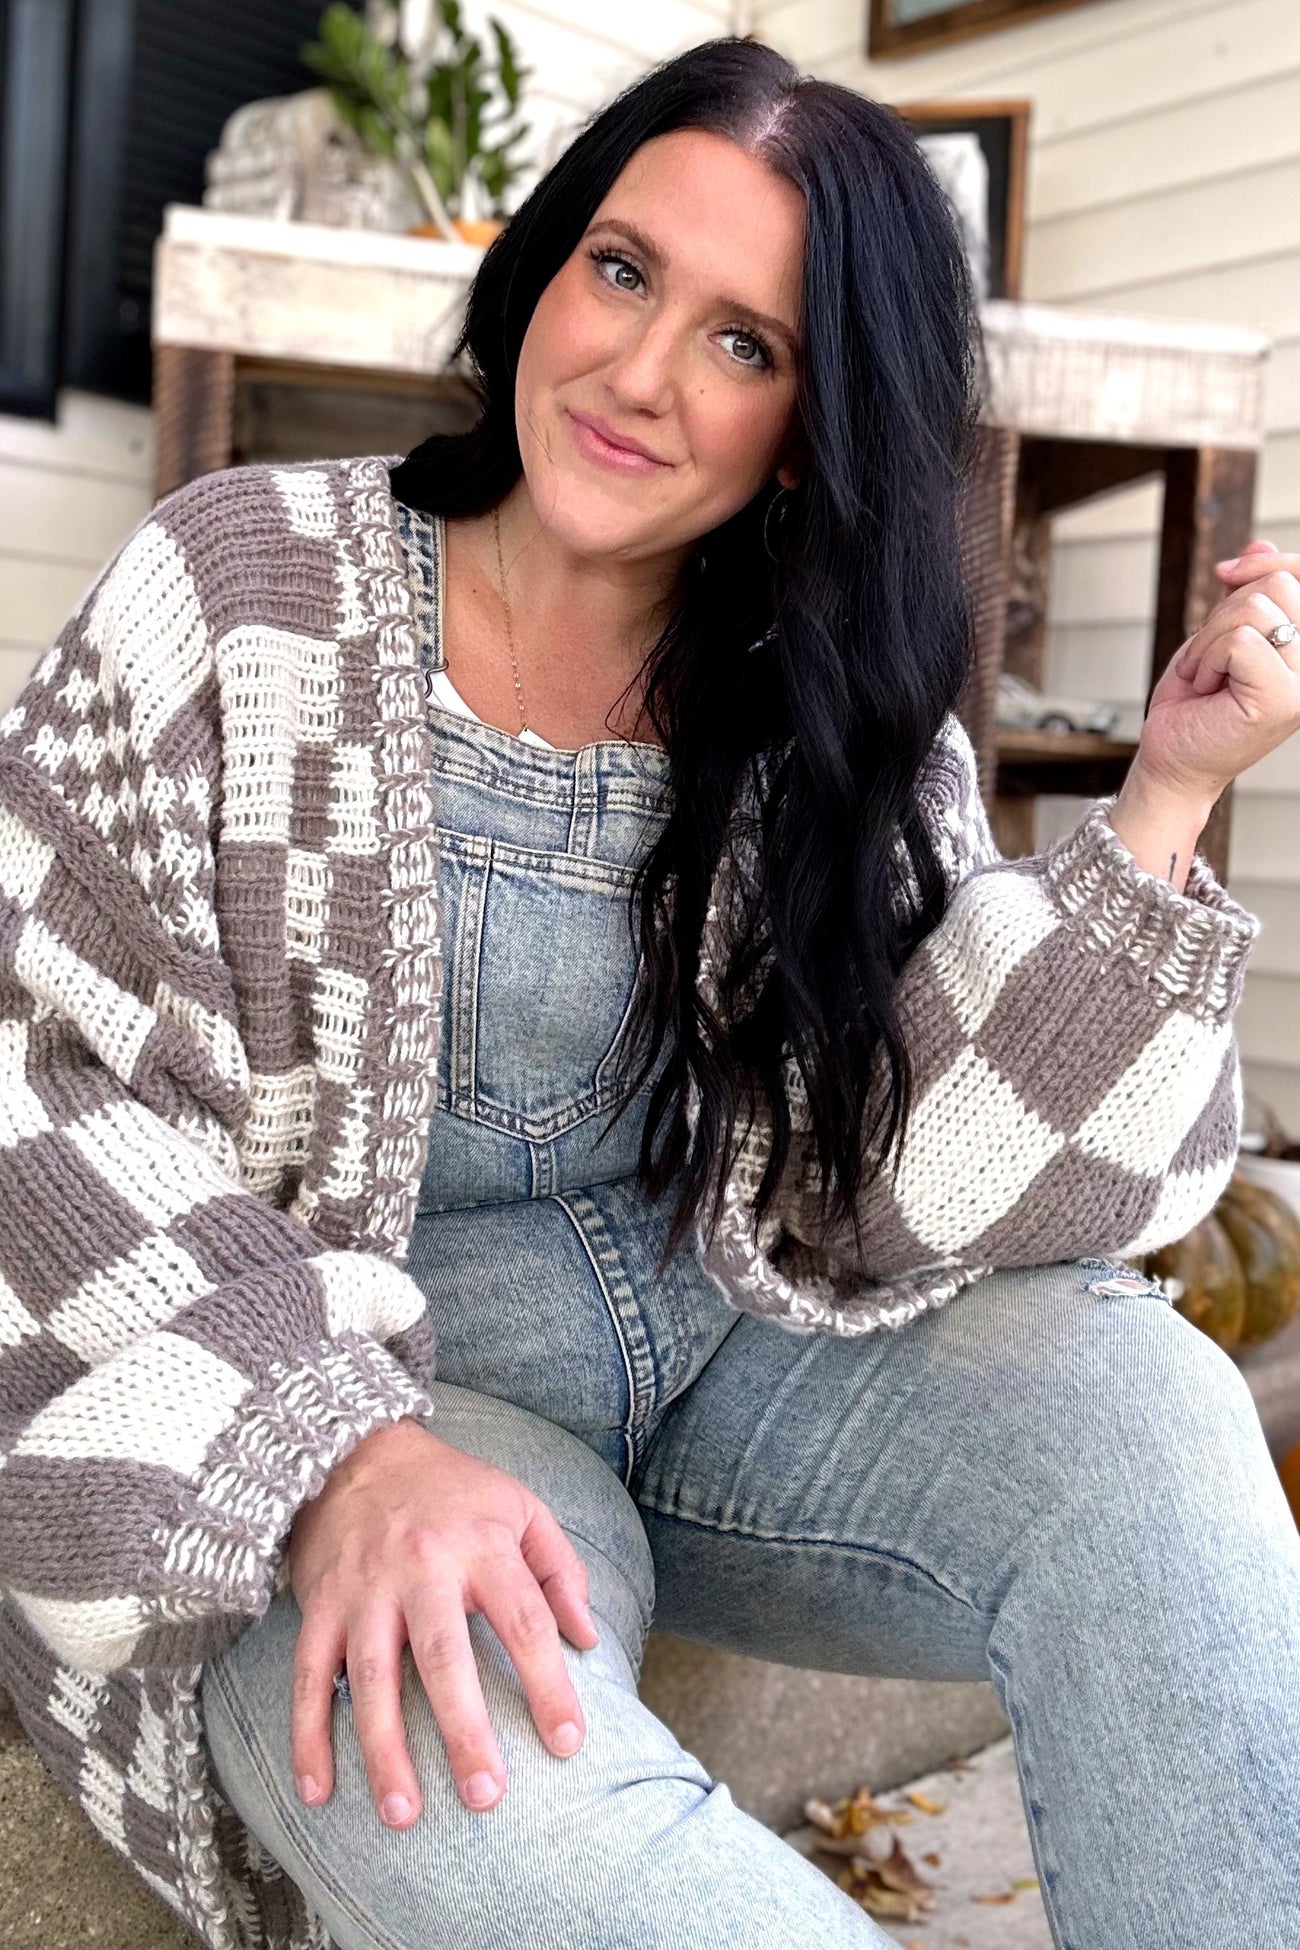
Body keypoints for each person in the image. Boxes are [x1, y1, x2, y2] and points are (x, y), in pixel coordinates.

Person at [1, 35, 1298, 1950]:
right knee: (467, 1759)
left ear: (816, 422)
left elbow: (923, 1163)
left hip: (744, 1362)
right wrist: (338, 1447)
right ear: (546, 263)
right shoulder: (240, 590)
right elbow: (38, 1078)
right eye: (622, 270)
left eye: (743, 343)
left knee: (1156, 1417)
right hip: (375, 1410)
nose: (637, 372)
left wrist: (1166, 800)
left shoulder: (826, 705)